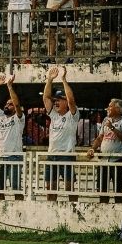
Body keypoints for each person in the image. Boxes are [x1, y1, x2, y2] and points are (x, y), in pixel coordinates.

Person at [87, 98, 122, 202]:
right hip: (103, 160)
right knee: (102, 190)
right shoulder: (105, 120)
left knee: (118, 190)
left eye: (110, 106)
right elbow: (100, 137)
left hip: (118, 160)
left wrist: (112, 128)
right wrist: (92, 148)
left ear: (118, 109)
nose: (107, 108)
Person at [42, 66, 78, 201]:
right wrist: (50, 80)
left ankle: (74, 212)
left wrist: (63, 80)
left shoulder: (72, 115)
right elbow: (46, 98)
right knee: (50, 188)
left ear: (65, 103)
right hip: (52, 155)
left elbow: (71, 100)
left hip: (67, 155)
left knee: (69, 188)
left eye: (59, 100)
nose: (56, 102)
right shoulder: (53, 115)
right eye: (55, 100)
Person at [0, 76, 24, 193]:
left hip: (14, 157)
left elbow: (17, 105)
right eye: (6, 104)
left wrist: (9, 86)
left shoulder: (19, 118)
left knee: (16, 188)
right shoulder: (1, 116)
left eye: (10, 104)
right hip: (1, 156)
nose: (7, 105)